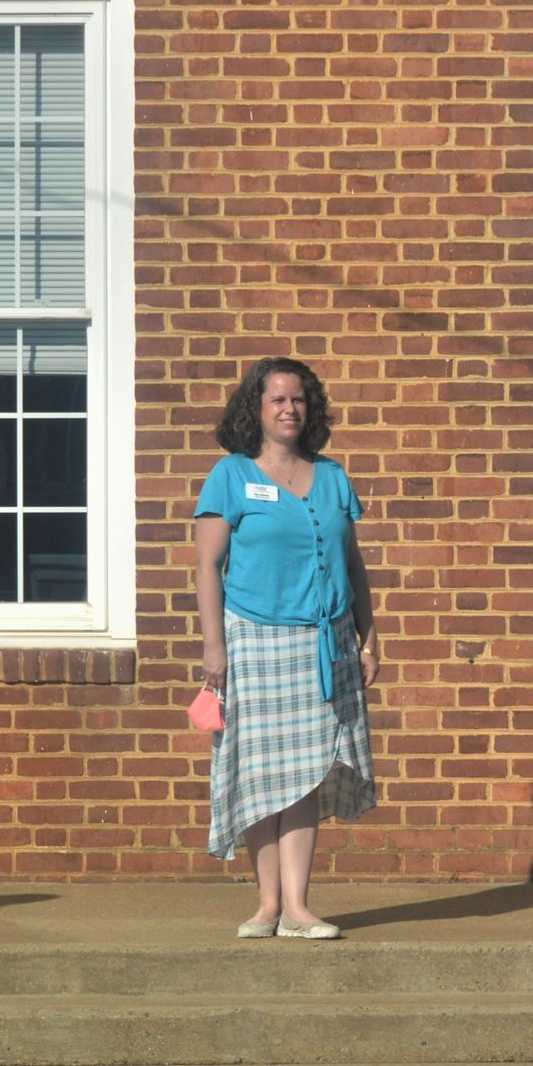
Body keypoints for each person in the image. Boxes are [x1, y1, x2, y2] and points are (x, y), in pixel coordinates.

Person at [195, 357, 380, 939]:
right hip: (253, 639)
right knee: (261, 774)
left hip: (325, 644)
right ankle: (266, 904)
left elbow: (353, 565)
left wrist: (368, 637)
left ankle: (299, 908)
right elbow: (206, 566)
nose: (288, 409)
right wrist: (214, 648)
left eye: (298, 399)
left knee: (305, 775)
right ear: (256, 408)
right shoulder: (230, 475)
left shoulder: (333, 478)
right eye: (276, 399)